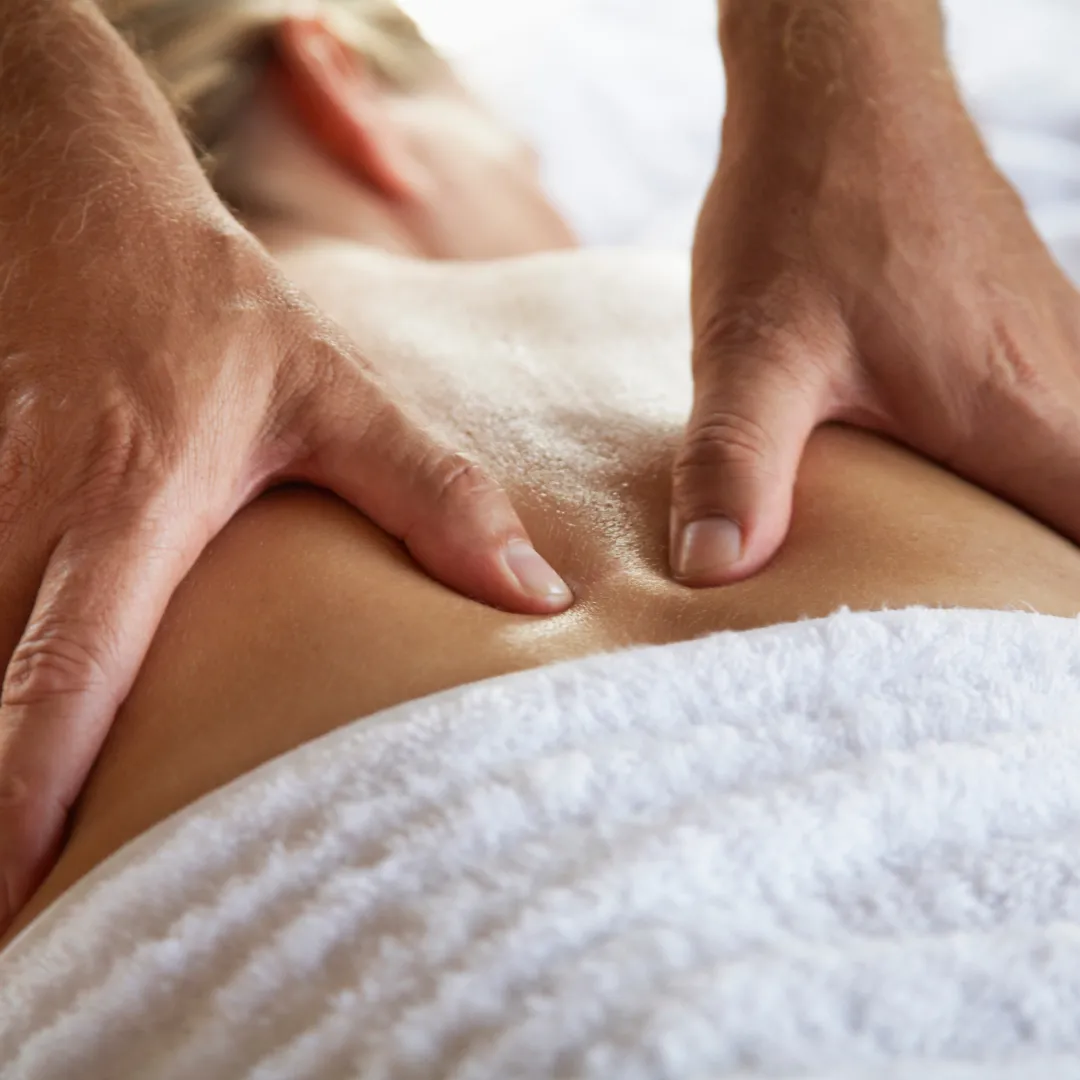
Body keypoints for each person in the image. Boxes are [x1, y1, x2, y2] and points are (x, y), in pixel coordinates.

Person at [4, 0, 1080, 947]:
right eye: (522, 155)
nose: (554, 207)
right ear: (336, 83)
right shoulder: (880, 342)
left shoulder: (35, 519)